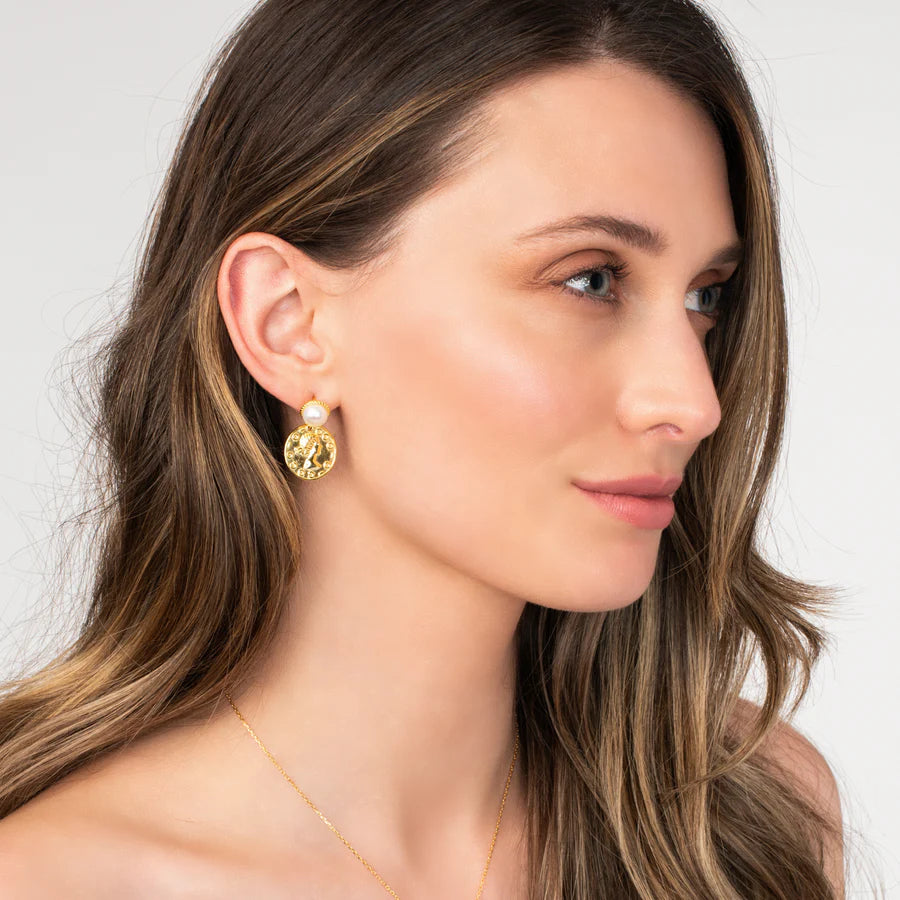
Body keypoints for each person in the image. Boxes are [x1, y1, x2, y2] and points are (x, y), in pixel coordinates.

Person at [0, 0, 847, 896]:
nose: (694, 402)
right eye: (590, 279)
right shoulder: (51, 878)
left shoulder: (751, 823)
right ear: (290, 324)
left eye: (705, 296)